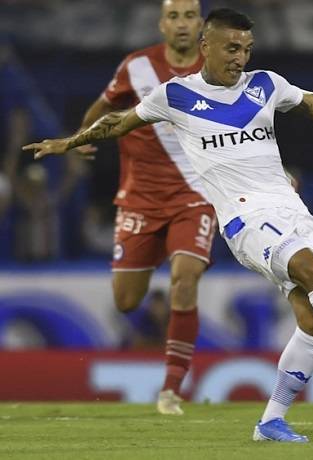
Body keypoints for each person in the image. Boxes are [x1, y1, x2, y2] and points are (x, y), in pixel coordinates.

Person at [24, 8, 313, 443]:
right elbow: (118, 123)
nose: (239, 57)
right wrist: (70, 141)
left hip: (291, 210)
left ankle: (270, 422)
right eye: (231, 48)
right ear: (206, 46)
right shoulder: (175, 95)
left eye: (246, 49)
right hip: (245, 221)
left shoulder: (265, 84)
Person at [75, 0, 212, 416]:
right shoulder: (136, 67)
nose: (182, 23)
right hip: (139, 198)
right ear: (162, 24)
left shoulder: (217, 69)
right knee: (127, 301)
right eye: (174, 16)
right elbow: (102, 107)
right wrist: (84, 136)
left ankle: (170, 389)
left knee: (185, 278)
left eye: (190, 15)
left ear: (201, 22)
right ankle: (152, 250)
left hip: (196, 194)